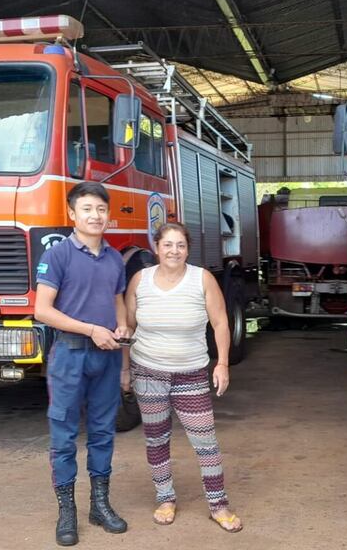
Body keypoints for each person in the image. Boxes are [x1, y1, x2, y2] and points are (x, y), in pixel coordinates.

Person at [123, 222, 244, 533]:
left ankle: (218, 505)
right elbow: (129, 327)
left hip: (191, 374)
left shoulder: (201, 279)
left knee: (206, 442)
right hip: (148, 372)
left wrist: (222, 364)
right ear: (156, 248)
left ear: (188, 250)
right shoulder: (140, 280)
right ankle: (165, 499)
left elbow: (220, 323)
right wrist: (124, 368)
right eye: (167, 245)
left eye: (180, 245)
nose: (174, 251)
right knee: (156, 439)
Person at [34, 181, 129, 546]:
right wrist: (91, 330)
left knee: (104, 431)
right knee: (64, 436)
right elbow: (43, 311)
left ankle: (99, 505)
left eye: (101, 209)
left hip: (107, 357)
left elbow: (117, 301)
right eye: (87, 209)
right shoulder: (58, 255)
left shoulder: (115, 258)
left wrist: (121, 326)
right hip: (70, 355)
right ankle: (67, 512)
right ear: (72, 213)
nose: (95, 215)